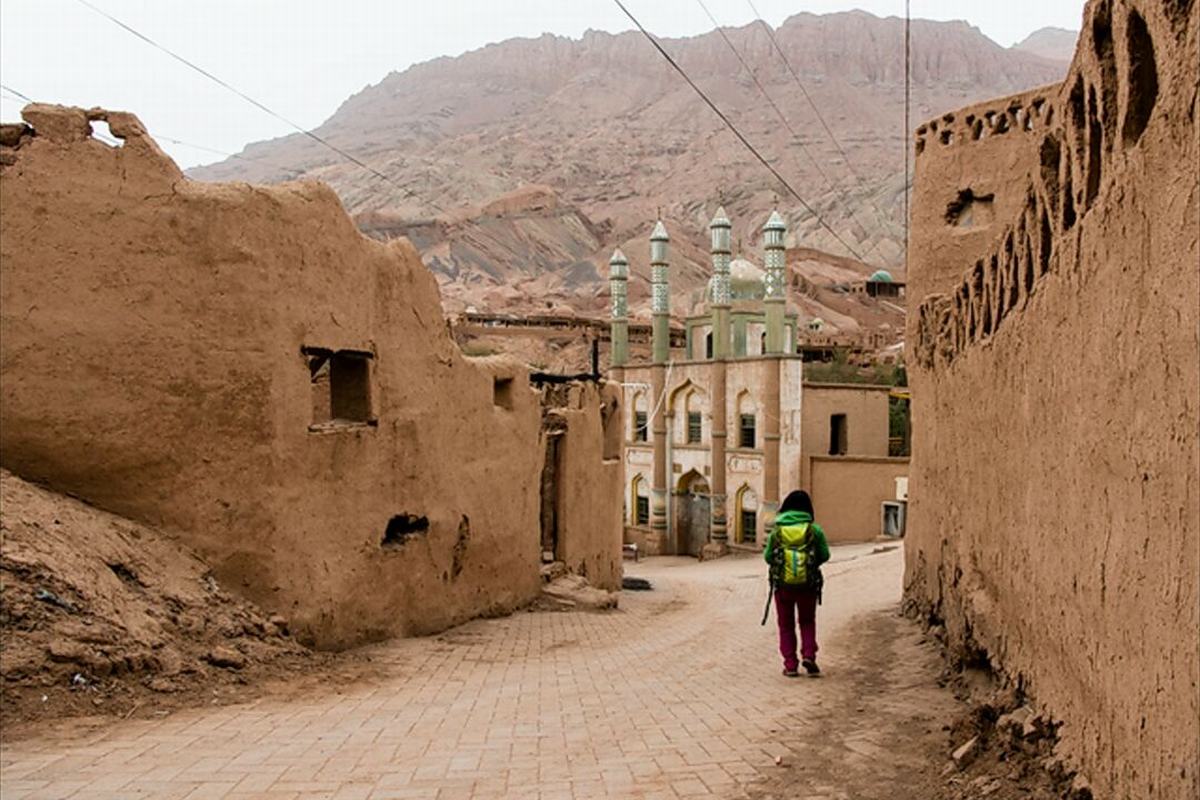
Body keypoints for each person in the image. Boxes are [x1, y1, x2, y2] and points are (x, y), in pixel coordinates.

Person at [763, 490, 830, 677]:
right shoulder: (814, 530)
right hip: (807, 585)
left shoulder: (777, 532)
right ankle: (809, 655)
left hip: (782, 587)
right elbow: (825, 555)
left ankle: (790, 665)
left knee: (786, 625)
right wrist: (810, 562)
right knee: (807, 622)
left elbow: (768, 557)